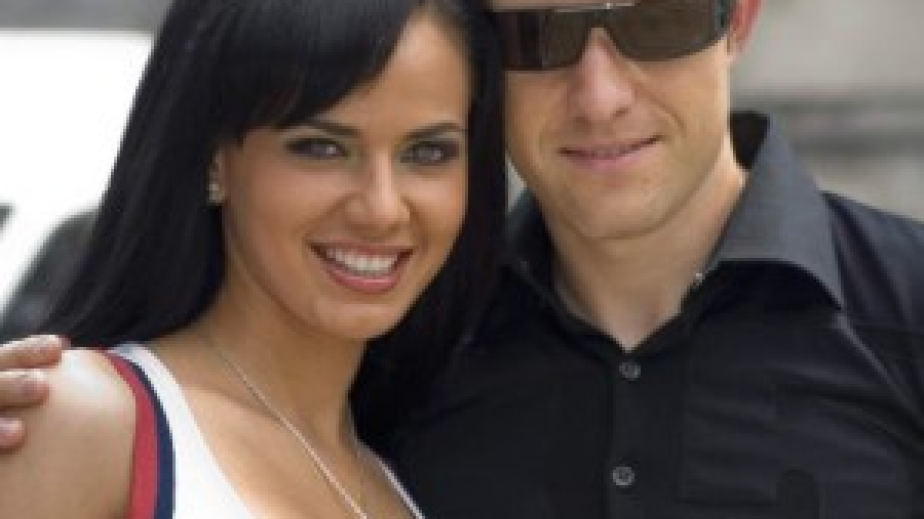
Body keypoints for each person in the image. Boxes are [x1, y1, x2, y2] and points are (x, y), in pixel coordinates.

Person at [4, 0, 924, 517]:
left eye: (655, 19)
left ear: (740, 18)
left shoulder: (369, 446)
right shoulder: (406, 372)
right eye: (539, 36)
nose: (601, 96)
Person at [0, 0, 507, 517]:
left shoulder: (397, 479)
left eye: (427, 153)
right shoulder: (82, 418)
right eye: (321, 148)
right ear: (213, 159)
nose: (382, 210)